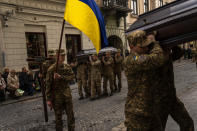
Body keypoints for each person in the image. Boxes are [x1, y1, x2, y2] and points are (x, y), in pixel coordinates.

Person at [147, 32, 194, 131]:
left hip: (172, 98)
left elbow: (180, 52)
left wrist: (172, 43)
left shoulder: (169, 58)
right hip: (158, 102)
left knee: (187, 123)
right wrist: (155, 43)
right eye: (166, 50)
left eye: (168, 50)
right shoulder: (153, 61)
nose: (168, 52)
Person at [123, 30, 165, 131]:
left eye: (147, 45)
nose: (146, 48)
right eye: (142, 46)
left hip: (150, 109)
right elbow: (157, 58)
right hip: (137, 114)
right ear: (132, 46)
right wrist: (154, 42)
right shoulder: (131, 60)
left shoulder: (143, 56)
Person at [46, 49, 75, 131]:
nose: (63, 57)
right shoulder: (51, 69)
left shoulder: (67, 67)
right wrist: (48, 99)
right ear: (56, 56)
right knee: (58, 117)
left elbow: (72, 77)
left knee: (71, 115)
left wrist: (61, 77)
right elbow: (48, 85)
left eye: (63, 55)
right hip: (56, 96)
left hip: (67, 94)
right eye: (61, 55)